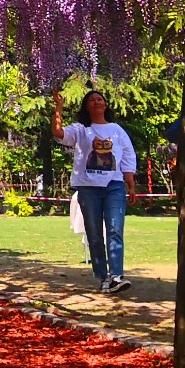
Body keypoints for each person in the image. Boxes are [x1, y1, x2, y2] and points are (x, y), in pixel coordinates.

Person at [52, 87, 137, 295]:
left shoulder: (117, 130)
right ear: (86, 107)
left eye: (100, 99)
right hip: (88, 187)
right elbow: (58, 133)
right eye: (92, 100)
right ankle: (102, 276)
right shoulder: (81, 130)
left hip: (114, 186)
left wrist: (131, 183)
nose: (97, 102)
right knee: (95, 234)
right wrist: (58, 108)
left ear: (105, 105)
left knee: (115, 229)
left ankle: (116, 275)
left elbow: (127, 156)